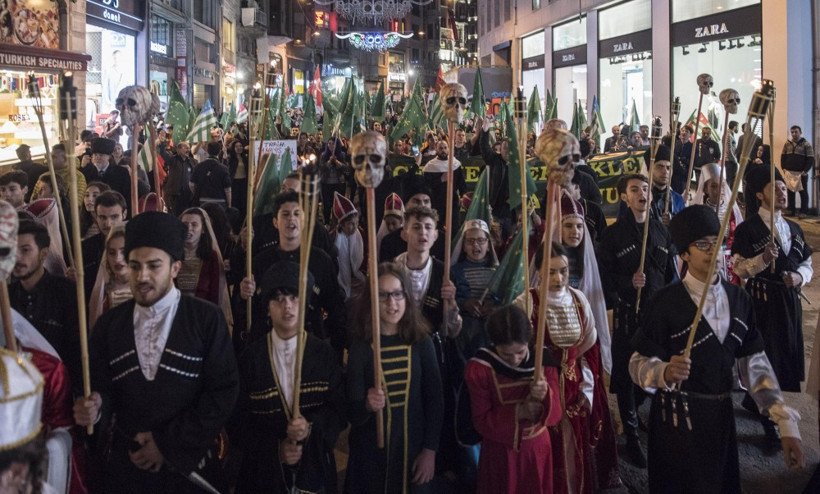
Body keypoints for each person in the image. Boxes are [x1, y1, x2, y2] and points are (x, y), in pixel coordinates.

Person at [630, 204, 805, 493]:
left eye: (716, 243)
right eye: (702, 245)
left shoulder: (738, 299)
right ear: (684, 254)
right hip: (676, 420)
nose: (712, 250)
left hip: (721, 419)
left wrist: (786, 425)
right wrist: (663, 372)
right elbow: (636, 363)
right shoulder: (664, 302)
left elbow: (755, 364)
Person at [73, 212, 239, 492]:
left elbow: (223, 391)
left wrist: (166, 444)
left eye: (154, 266)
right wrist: (95, 407)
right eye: (135, 266)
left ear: (175, 268)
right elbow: (101, 387)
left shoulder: (205, 319)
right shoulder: (110, 324)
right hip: (128, 469)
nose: (142, 276)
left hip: (188, 467)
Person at [230, 261, 345, 493]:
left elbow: (340, 410)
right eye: (278, 299)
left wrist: (311, 427)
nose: (287, 306)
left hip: (315, 469)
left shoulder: (324, 355)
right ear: (267, 308)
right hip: (263, 475)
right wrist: (276, 449)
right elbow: (236, 422)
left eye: (294, 298)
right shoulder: (251, 359)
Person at [521, 242, 620, 493]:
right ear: (539, 270)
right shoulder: (526, 302)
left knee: (575, 461)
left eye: (563, 271)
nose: (558, 277)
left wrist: (587, 391)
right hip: (541, 396)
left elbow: (588, 352)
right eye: (551, 271)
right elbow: (516, 357)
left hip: (575, 395)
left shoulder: (579, 300)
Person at [598, 173, 677, 467]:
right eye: (635, 189)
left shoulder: (661, 231)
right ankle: (630, 434)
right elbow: (604, 277)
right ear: (624, 197)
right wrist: (627, 281)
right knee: (628, 377)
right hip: (628, 313)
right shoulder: (613, 235)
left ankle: (646, 418)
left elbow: (670, 273)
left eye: (645, 188)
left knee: (655, 371)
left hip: (656, 314)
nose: (642, 192)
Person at [346, 263, 444, 493]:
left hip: (414, 449)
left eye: (397, 294)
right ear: (371, 300)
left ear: (407, 297)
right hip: (370, 456)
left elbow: (435, 400)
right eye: (383, 295)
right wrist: (367, 405)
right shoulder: (361, 347)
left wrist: (430, 450)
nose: (391, 303)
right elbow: (350, 410)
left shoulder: (421, 342)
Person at [732, 167, 812, 444]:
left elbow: (807, 263)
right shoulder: (748, 229)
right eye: (774, 187)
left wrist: (800, 276)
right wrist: (763, 260)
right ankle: (769, 420)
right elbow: (739, 269)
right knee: (765, 356)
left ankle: (756, 402)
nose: (782, 192)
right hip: (761, 302)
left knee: (786, 354)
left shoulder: (795, 228)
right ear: (759, 194)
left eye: (782, 187)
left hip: (788, 303)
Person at [464, 304, 561, 494]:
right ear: (494, 344)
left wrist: (546, 395)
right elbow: (480, 421)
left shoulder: (543, 360)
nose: (515, 359)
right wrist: (519, 412)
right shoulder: (481, 369)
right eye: (506, 354)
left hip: (537, 449)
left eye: (520, 352)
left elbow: (556, 415)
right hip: (500, 451)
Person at [238, 191, 347, 355]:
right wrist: (243, 295)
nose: (291, 219)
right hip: (269, 346)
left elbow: (335, 307)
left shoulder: (320, 261)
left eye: (297, 214)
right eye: (285, 214)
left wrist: (334, 350)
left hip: (310, 345)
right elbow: (249, 310)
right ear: (275, 222)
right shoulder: (260, 262)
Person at [10, 218, 81, 387]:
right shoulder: (6, 296)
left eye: (25, 250)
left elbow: (76, 350)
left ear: (43, 253)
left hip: (59, 388)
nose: (17, 257)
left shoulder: (66, 292)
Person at [451, 219, 498, 359]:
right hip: (466, 325)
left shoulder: (498, 272)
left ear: (489, 245)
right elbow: (449, 299)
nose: (475, 245)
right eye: (470, 241)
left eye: (481, 240)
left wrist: (494, 307)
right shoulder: (455, 271)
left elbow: (507, 297)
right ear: (463, 246)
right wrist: (464, 304)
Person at [692, 162, 743, 284]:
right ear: (705, 189)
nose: (719, 190)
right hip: (707, 262)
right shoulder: (699, 213)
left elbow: (740, 240)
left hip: (731, 265)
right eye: (714, 186)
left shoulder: (733, 212)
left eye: (722, 185)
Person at [79, 191, 127, 302]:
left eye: (114, 217)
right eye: (103, 217)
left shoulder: (135, 247)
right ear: (96, 217)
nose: (108, 223)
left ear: (124, 215)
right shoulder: (85, 248)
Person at [89, 226, 132, 329]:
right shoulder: (102, 291)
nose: (117, 259)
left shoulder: (146, 287)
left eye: (123, 251)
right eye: (112, 253)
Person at [80, 138, 134, 211]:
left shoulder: (121, 172)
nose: (98, 157)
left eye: (101, 155)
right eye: (95, 154)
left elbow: (128, 196)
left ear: (109, 156)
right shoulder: (86, 172)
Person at [331, 191, 364, 300]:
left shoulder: (361, 234)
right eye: (350, 224)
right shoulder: (333, 238)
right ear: (342, 224)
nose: (355, 227)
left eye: (356, 223)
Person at [781, 125, 815, 218]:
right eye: (792, 132)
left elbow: (810, 158)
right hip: (789, 172)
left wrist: (805, 170)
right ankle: (790, 210)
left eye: (796, 132)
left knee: (803, 193)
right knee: (790, 192)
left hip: (801, 173)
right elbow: (783, 156)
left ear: (800, 132)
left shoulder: (806, 144)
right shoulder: (787, 143)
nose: (794, 134)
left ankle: (804, 211)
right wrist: (783, 167)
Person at [646, 145, 685, 224]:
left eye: (668, 168)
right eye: (659, 167)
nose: (665, 172)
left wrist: (673, 222)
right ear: (649, 170)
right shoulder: (642, 198)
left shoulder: (678, 199)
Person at [190, 141, 232, 209]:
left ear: (207, 151)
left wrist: (197, 193)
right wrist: (229, 205)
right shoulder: (223, 168)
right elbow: (228, 189)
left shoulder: (199, 166)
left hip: (203, 200)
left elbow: (191, 184)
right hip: (220, 200)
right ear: (219, 151)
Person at [161, 141, 196, 216]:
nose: (188, 150)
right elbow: (163, 154)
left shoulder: (192, 162)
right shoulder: (173, 160)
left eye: (188, 148)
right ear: (178, 150)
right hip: (175, 194)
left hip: (188, 195)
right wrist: (162, 144)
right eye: (185, 147)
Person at [319, 136, 348, 222]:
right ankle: (327, 222)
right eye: (329, 144)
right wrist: (329, 162)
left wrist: (336, 162)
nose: (330, 146)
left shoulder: (342, 155)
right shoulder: (323, 155)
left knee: (338, 204)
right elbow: (321, 168)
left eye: (333, 144)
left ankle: (337, 222)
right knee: (327, 204)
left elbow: (346, 168)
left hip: (338, 183)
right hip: (326, 183)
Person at [377, 192, 404, 257]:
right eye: (388, 224)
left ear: (401, 221)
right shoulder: (383, 239)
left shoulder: (407, 238)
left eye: (394, 224)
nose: (390, 227)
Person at [227, 138, 249, 216]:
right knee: (235, 202)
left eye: (240, 146)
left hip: (244, 182)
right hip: (234, 183)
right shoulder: (230, 159)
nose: (239, 148)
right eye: (237, 146)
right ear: (233, 148)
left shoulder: (245, 158)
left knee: (244, 202)